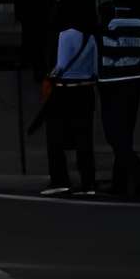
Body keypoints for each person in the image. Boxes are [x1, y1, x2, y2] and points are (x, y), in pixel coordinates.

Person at [98, 0, 140, 198]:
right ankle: (121, 182)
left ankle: (138, 170)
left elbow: (107, 58)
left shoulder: (110, 25)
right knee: (125, 134)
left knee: (113, 135)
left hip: (112, 86)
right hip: (135, 85)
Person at [41, 13, 98, 197]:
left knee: (55, 136)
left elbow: (62, 63)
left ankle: (60, 180)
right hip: (86, 89)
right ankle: (88, 181)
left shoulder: (65, 35)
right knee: (84, 138)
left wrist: (51, 74)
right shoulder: (90, 37)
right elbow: (96, 68)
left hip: (65, 89)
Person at [14, 0, 56, 82]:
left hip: (33, 21)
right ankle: (38, 69)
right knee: (39, 46)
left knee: (32, 44)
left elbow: (19, 2)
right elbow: (51, 2)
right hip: (37, 21)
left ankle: (34, 67)